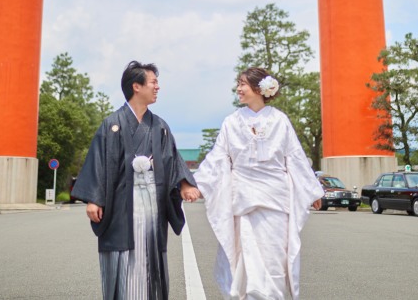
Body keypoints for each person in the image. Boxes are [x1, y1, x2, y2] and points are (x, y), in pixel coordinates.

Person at [71, 61, 199, 300]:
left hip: (152, 204)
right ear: (136, 86)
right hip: (120, 205)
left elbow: (172, 159)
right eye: (153, 82)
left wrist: (185, 183)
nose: (158, 87)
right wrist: (94, 199)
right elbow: (98, 162)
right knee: (122, 257)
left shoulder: (159, 126)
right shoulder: (112, 124)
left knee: (150, 257)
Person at [194, 67, 324, 299]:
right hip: (243, 199)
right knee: (246, 261)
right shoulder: (232, 122)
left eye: (242, 83)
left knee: (273, 261)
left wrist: (312, 190)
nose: (238, 88)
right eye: (238, 83)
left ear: (258, 88)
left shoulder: (279, 120)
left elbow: (294, 157)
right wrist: (198, 184)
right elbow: (218, 157)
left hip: (275, 200)